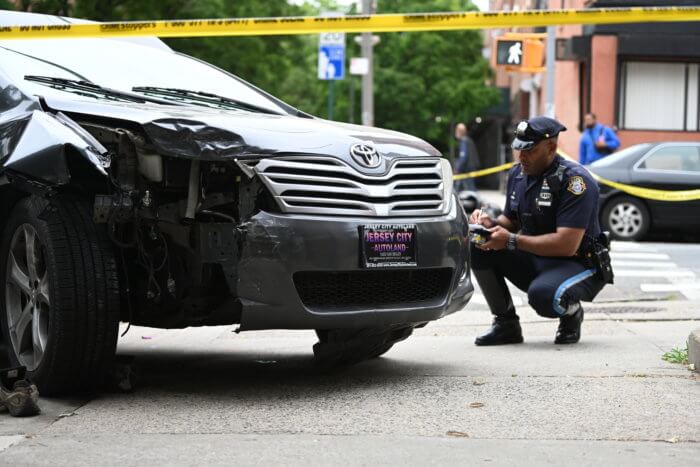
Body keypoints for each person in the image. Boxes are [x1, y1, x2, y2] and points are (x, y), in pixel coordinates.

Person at [469, 116, 613, 346]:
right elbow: (511, 220)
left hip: (577, 263)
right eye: (519, 149)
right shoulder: (518, 174)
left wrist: (511, 241)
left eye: (530, 150)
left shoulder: (575, 181)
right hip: (536, 255)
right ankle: (506, 325)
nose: (522, 156)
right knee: (478, 244)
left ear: (551, 147)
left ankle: (572, 313)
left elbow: (567, 245)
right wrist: (490, 224)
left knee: (545, 297)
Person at [453, 123, 480, 192]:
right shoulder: (469, 140)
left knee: (469, 191)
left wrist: (457, 169)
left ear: (459, 131)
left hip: (467, 171)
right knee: (471, 189)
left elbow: (463, 157)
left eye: (456, 131)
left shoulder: (463, 141)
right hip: (472, 169)